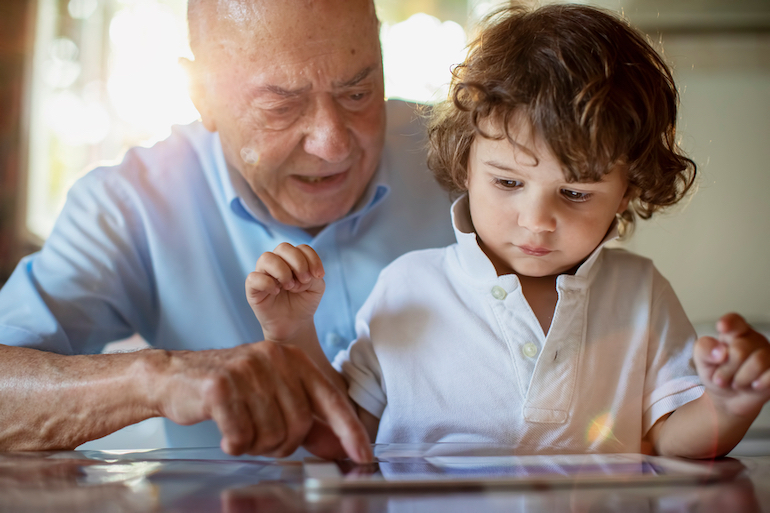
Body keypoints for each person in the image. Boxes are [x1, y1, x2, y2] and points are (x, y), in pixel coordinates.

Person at [247, 3, 770, 458]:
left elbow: (677, 440)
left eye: (576, 193)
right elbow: (339, 437)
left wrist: (730, 403)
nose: (537, 219)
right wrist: (292, 334)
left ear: (627, 191)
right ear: (466, 165)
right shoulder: (408, 285)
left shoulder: (641, 293)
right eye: (508, 181)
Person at [0, 0, 456, 462]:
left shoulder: (478, 160)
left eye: (357, 93)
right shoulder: (127, 207)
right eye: (281, 106)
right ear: (203, 97)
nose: (332, 143)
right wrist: (155, 378)